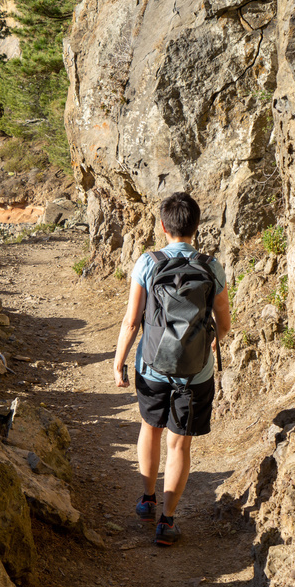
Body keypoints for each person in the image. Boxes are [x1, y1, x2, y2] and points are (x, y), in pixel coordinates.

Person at [112, 192, 231, 546]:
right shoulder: (211, 266)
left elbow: (132, 321)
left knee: (150, 429)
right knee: (180, 446)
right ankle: (167, 521)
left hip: (151, 368)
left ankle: (147, 499)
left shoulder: (148, 262)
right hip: (196, 373)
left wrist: (118, 362)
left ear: (163, 226)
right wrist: (212, 341)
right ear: (196, 227)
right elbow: (224, 318)